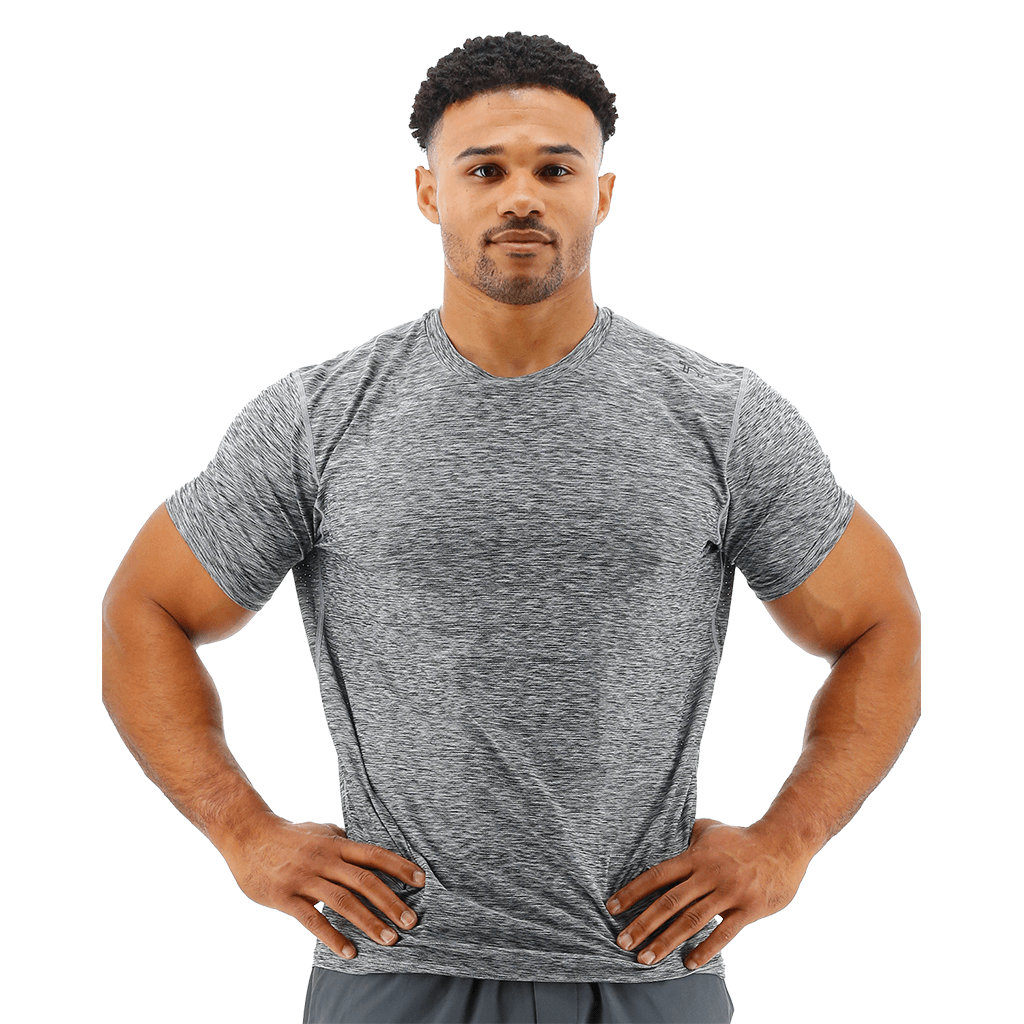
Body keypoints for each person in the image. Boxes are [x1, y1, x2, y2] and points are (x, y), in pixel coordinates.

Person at [101, 30, 921, 1024]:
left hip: (645, 966)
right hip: (394, 965)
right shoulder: (321, 418)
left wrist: (786, 843)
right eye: (484, 169)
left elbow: (878, 623)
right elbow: (145, 607)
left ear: (602, 195)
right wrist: (246, 834)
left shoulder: (719, 417)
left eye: (555, 169)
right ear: (429, 192)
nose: (520, 196)